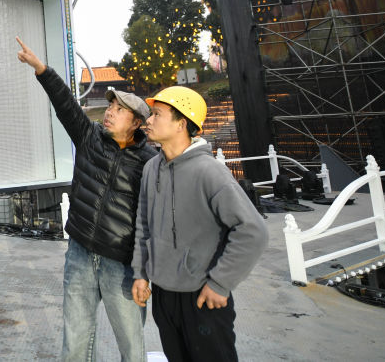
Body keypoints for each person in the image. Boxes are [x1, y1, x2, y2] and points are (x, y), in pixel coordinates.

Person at [16, 36, 156, 362]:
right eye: (110, 107)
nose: (110, 113)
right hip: (79, 254)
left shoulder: (149, 162)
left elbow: (149, 222)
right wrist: (42, 70)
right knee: (75, 341)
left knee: (131, 345)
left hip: (121, 263)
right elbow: (65, 104)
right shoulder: (89, 136)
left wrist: (143, 271)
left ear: (136, 122)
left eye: (119, 110)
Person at [132, 86, 268, 362]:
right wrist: (141, 273)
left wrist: (220, 283)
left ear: (181, 123)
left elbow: (252, 230)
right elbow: (143, 225)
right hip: (163, 295)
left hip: (203, 295)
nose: (149, 120)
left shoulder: (209, 171)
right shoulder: (151, 169)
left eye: (157, 114)